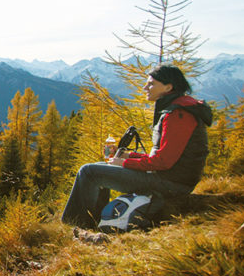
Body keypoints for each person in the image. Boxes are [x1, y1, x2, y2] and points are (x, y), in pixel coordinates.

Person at [61, 64, 212, 229]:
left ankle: (77, 225)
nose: (145, 87)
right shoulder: (177, 109)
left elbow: (163, 162)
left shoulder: (178, 114)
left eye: (151, 84)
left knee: (89, 172)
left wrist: (124, 163)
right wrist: (129, 157)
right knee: (97, 168)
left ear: (168, 87)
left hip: (171, 183)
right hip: (171, 178)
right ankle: (94, 221)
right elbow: (164, 157)